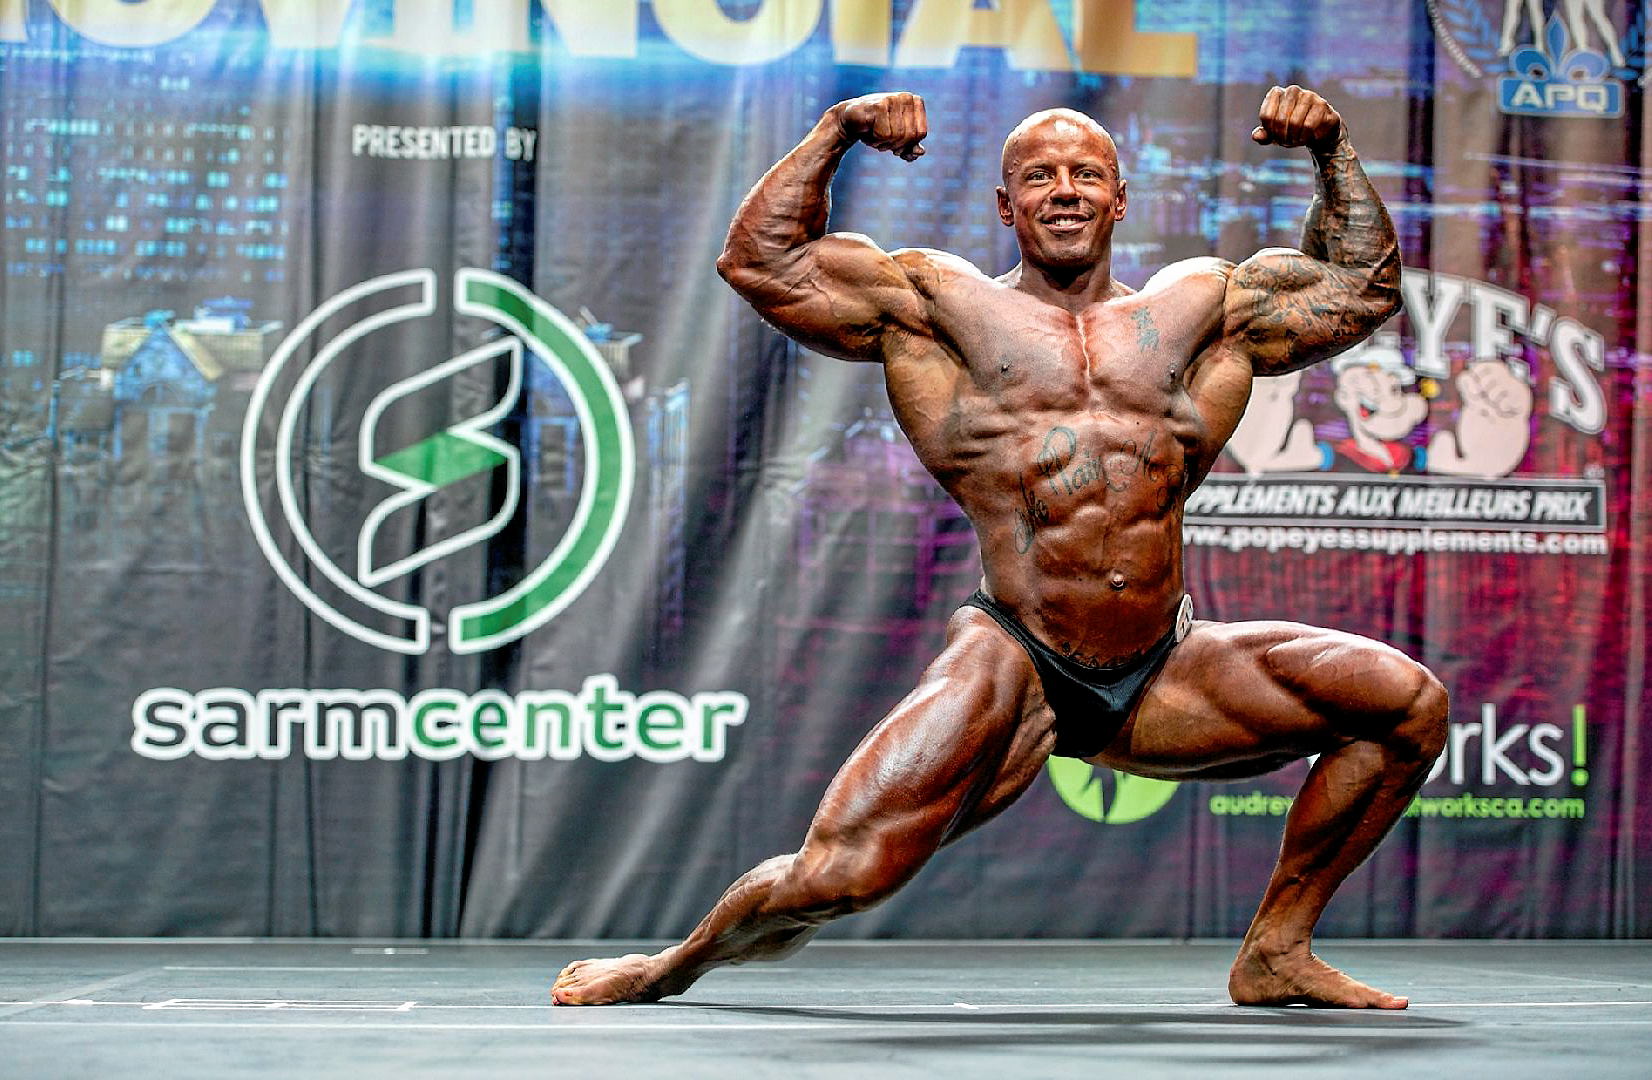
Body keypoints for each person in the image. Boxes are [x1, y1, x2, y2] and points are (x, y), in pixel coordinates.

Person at [553, 86, 1448, 1010]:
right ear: (1004, 203)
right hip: (1016, 659)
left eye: (1085, 175)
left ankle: (1275, 950)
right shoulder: (935, 305)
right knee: (841, 875)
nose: (1063, 190)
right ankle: (671, 964)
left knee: (1404, 706)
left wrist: (1332, 147)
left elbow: (1360, 287)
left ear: (1119, 198)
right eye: (1038, 176)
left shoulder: (1201, 310)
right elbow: (761, 261)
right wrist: (836, 131)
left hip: (1162, 665)